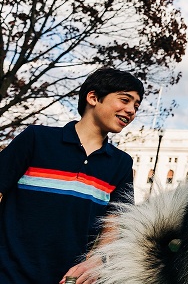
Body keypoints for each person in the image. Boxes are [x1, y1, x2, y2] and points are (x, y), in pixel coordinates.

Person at [0, 68, 142, 284]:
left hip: (69, 280)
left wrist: (97, 261)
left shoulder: (121, 164)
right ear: (93, 97)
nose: (131, 110)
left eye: (136, 106)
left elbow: (114, 224)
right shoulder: (37, 139)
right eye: (125, 100)